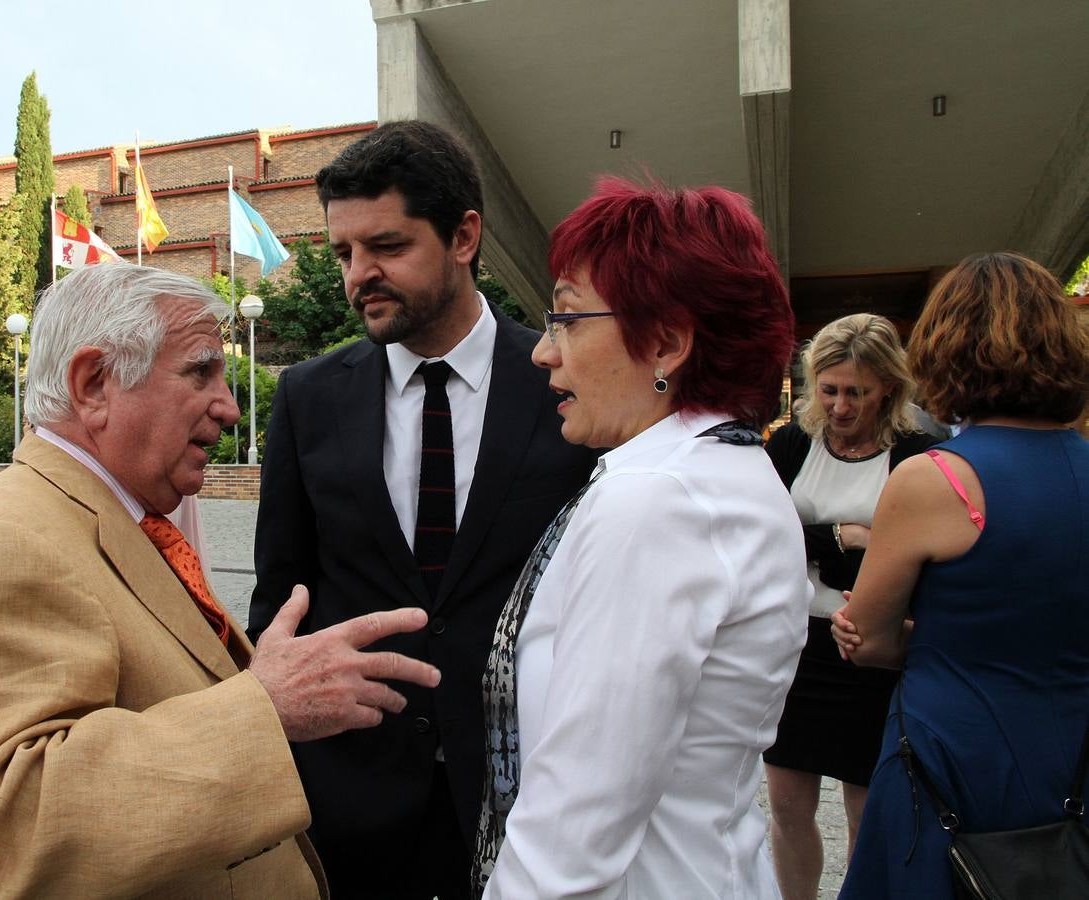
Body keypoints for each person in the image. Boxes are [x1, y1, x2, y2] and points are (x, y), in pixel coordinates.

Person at [0, 263, 441, 899]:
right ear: (94, 384)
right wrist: (266, 708)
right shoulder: (5, 535)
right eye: (200, 371)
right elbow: (2, 829)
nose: (231, 408)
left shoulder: (114, 517)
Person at [247, 120, 599, 900]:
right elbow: (281, 597)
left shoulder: (561, 384)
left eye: (387, 247)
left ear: (464, 235)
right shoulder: (308, 397)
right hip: (354, 799)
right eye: (343, 254)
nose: (357, 275)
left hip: (526, 795)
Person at [473, 177, 810, 898]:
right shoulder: (710, 469)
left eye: (566, 318)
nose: (543, 351)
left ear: (665, 343)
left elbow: (573, 830)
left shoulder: (659, 498)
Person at [830, 252, 1089, 898]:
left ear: (943, 351)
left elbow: (871, 640)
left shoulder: (933, 479)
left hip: (952, 754)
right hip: (1074, 750)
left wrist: (923, 637)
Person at [760, 314, 937, 900]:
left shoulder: (918, 453)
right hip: (794, 645)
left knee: (867, 810)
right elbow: (766, 536)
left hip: (870, 648)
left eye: (855, 392)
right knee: (786, 803)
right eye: (829, 389)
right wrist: (847, 536)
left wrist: (834, 545)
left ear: (888, 386)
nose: (838, 406)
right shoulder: (791, 443)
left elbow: (924, 548)